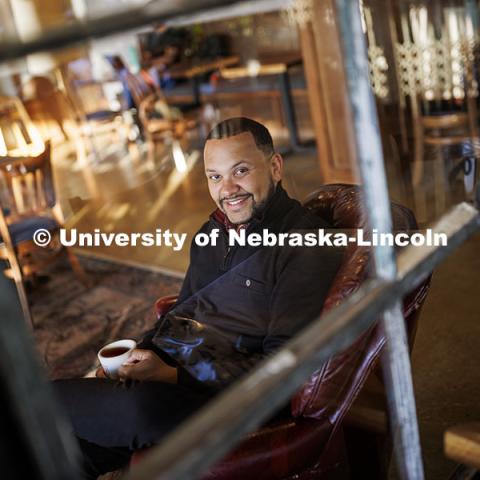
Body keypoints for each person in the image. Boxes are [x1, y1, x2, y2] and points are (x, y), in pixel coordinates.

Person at [55, 117, 343, 479]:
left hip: (228, 403)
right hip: (179, 381)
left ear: (275, 166)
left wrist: (172, 376)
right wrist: (141, 356)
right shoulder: (212, 233)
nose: (228, 189)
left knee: (41, 405)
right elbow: (179, 314)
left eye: (240, 170)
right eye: (215, 176)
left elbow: (281, 370)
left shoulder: (303, 245)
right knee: (59, 452)